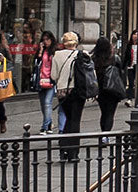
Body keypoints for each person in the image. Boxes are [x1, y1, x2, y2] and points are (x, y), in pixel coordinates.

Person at [51, 32, 87, 161]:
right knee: (75, 120)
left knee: (68, 118)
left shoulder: (57, 55)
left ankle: (63, 148)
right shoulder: (82, 55)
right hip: (77, 91)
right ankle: (73, 152)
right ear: (76, 42)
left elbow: (53, 76)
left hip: (62, 92)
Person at [92, 37, 124, 134]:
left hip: (100, 90)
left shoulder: (94, 59)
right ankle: (106, 134)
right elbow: (120, 72)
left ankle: (103, 133)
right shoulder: (114, 58)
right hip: (112, 89)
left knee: (104, 113)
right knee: (110, 113)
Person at [34, 33, 59, 134]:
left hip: (51, 80)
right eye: (44, 40)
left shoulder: (55, 51)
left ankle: (45, 127)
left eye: (48, 39)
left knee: (47, 103)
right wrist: (40, 51)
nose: (46, 42)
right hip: (41, 80)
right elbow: (36, 63)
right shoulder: (41, 51)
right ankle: (49, 123)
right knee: (43, 105)